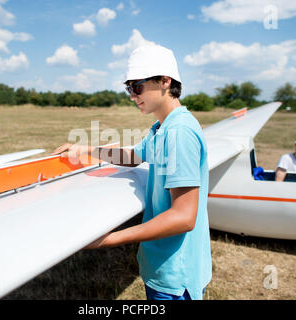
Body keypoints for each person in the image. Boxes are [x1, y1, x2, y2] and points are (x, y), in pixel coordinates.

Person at [51, 44, 212, 300]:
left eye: (137, 86)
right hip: (163, 269)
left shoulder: (178, 132)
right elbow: (132, 157)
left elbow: (184, 217)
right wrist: (85, 149)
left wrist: (108, 239)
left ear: (164, 81)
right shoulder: (162, 128)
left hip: (176, 278)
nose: (131, 95)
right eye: (129, 88)